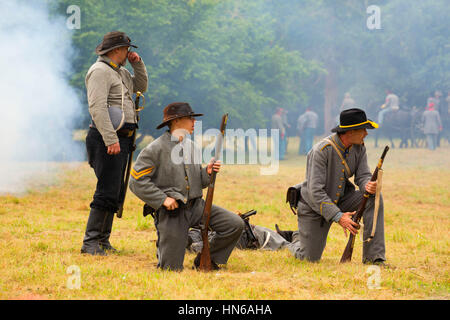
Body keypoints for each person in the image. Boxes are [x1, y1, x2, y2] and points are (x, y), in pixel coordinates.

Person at [129, 102, 244, 271]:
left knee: (235, 224)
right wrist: (162, 199)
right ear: (176, 121)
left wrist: (208, 172)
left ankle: (207, 259)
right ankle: (166, 245)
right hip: (173, 212)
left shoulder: (192, 147)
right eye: (190, 118)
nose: (194, 122)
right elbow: (136, 181)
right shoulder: (155, 149)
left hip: (197, 206)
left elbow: (198, 181)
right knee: (171, 269)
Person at [289, 108, 387, 266]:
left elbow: (362, 176)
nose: (366, 134)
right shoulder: (321, 151)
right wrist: (339, 216)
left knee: (374, 198)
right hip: (315, 206)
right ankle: (294, 239)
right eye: (363, 130)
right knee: (308, 258)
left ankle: (374, 258)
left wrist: (367, 184)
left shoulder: (359, 147)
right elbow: (315, 192)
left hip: (342, 198)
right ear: (349, 132)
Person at [81, 31, 148, 256]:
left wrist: (138, 65)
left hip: (122, 139)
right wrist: (111, 138)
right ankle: (90, 243)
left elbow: (141, 87)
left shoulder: (120, 72)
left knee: (114, 190)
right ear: (117, 50)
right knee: (106, 190)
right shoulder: (99, 71)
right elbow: (97, 108)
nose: (129, 52)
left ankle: (103, 240)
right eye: (126, 49)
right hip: (107, 139)